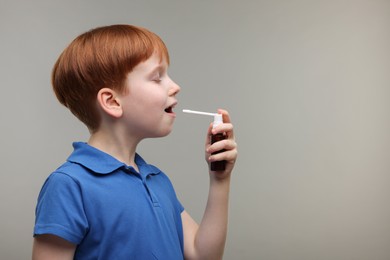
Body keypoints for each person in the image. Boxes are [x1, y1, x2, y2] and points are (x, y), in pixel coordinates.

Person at [32, 24, 237, 260]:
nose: (175, 86)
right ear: (112, 101)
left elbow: (203, 256)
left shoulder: (157, 181)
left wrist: (220, 179)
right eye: (157, 78)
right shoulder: (69, 186)